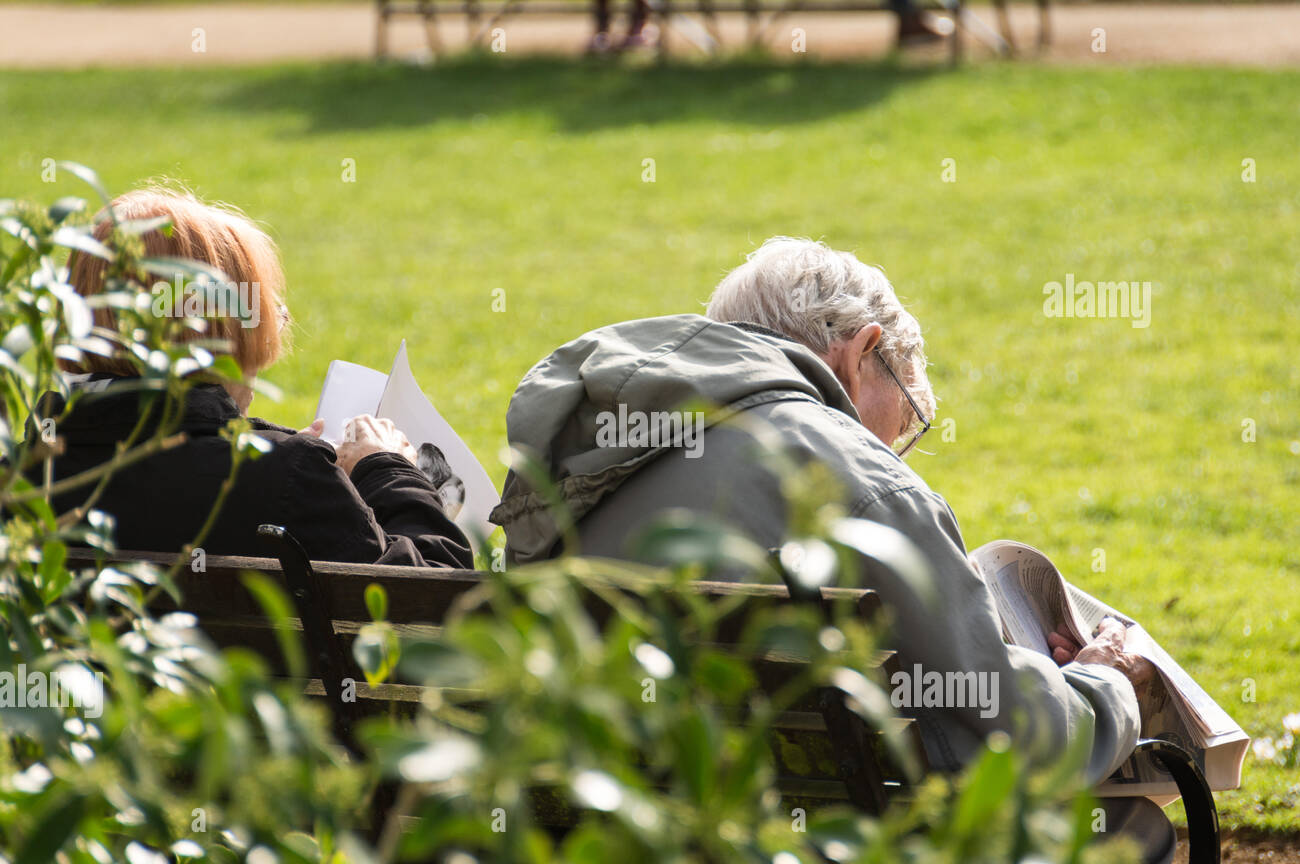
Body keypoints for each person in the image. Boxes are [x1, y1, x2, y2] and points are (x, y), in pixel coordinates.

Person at [491, 237, 1151, 812]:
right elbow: (1017, 741)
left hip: (600, 824)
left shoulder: (579, 459)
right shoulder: (857, 481)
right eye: (904, 429)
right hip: (806, 835)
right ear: (863, 351)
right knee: (1133, 826)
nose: (895, 454)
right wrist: (1105, 685)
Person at [38, 187, 472, 569]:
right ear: (221, 333)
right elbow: (436, 601)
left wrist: (285, 465)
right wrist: (385, 470)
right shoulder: (291, 480)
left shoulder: (24, 479)